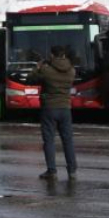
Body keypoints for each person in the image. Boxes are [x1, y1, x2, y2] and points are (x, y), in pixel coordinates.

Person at [30, 45, 77, 179]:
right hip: (65, 108)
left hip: (49, 108)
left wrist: (37, 67)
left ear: (52, 55)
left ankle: (52, 171)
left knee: (49, 140)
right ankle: (72, 171)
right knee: (68, 140)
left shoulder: (46, 70)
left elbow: (30, 79)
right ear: (63, 55)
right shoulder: (72, 70)